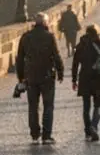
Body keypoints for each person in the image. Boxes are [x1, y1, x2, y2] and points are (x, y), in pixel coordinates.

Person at [16, 13, 64, 144]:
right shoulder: (49, 37)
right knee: (48, 105)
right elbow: (57, 56)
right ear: (45, 23)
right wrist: (60, 72)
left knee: (33, 106)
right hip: (47, 76)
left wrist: (21, 78)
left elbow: (19, 59)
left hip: (30, 77)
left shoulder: (25, 37)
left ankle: (35, 134)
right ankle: (47, 135)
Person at [72, 22, 100, 141]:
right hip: (98, 79)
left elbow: (75, 64)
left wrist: (74, 80)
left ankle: (88, 132)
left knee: (86, 107)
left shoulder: (80, 46)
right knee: (98, 105)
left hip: (84, 78)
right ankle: (94, 126)